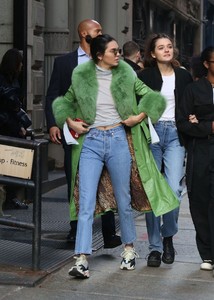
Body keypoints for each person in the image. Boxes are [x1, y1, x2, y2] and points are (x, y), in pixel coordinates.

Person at [52, 34, 179, 279]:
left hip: (119, 139)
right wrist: (70, 122)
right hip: (91, 142)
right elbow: (63, 103)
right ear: (100, 55)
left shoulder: (127, 73)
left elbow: (152, 98)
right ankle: (81, 259)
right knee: (86, 200)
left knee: (124, 198)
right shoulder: (81, 75)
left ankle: (129, 251)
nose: (118, 54)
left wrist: (138, 117)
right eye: (113, 51)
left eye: (119, 50)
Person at [45, 19, 121, 248]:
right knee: (74, 181)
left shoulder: (108, 59)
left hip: (105, 129)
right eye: (97, 30)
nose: (101, 33)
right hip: (75, 132)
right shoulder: (64, 63)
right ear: (84, 34)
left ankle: (108, 232)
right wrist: (53, 124)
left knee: (105, 181)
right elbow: (52, 96)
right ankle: (75, 229)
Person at [138, 33, 193, 267]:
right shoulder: (145, 76)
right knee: (152, 193)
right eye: (161, 47)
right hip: (152, 134)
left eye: (169, 46)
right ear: (152, 53)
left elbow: (191, 102)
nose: (167, 50)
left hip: (175, 135)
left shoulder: (183, 75)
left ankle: (168, 236)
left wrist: (193, 115)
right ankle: (154, 248)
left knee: (172, 190)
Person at [177, 46, 214, 272]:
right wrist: (208, 126)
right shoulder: (193, 90)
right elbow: (182, 122)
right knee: (199, 201)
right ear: (207, 64)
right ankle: (207, 254)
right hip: (200, 151)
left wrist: (198, 121)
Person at [0, 48, 31, 210]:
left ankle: (11, 197)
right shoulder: (5, 81)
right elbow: (7, 109)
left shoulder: (15, 80)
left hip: (12, 129)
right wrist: (18, 127)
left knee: (14, 166)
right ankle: (9, 198)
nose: (22, 66)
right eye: (20, 63)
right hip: (6, 129)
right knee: (9, 165)